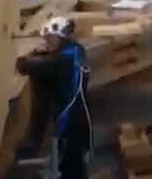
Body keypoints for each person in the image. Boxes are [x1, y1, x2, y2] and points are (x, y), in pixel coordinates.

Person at [15, 16, 93, 179]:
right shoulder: (76, 49)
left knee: (69, 163)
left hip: (69, 119)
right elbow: (54, 61)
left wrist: (22, 59)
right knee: (74, 157)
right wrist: (44, 52)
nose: (47, 42)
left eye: (49, 38)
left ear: (60, 36)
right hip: (80, 114)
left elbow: (27, 66)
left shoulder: (59, 60)